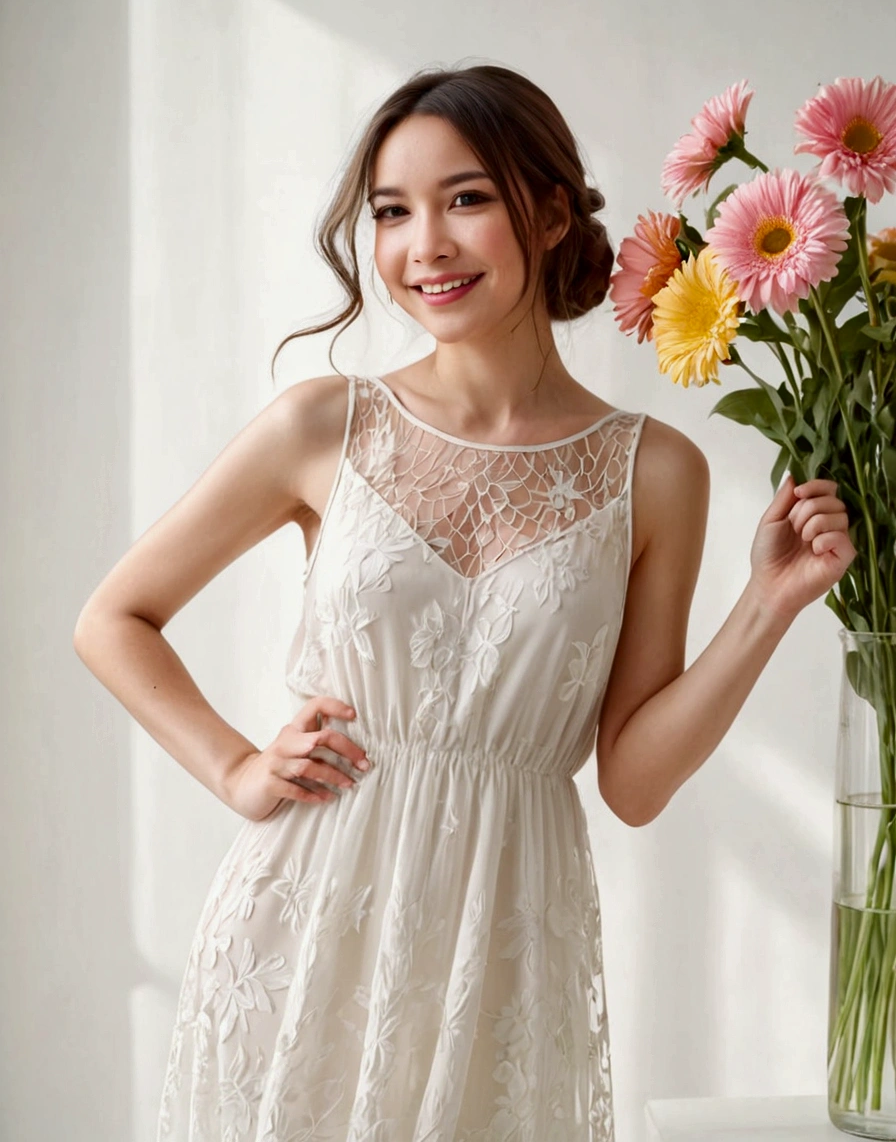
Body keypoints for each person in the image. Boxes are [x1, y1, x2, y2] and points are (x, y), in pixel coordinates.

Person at [73, 63, 855, 1141]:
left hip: (505, 943)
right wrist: (238, 769)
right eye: (391, 213)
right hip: (306, 926)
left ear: (542, 212)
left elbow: (628, 779)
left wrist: (765, 606)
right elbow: (112, 617)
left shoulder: (654, 470)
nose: (422, 245)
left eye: (464, 199)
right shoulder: (320, 425)